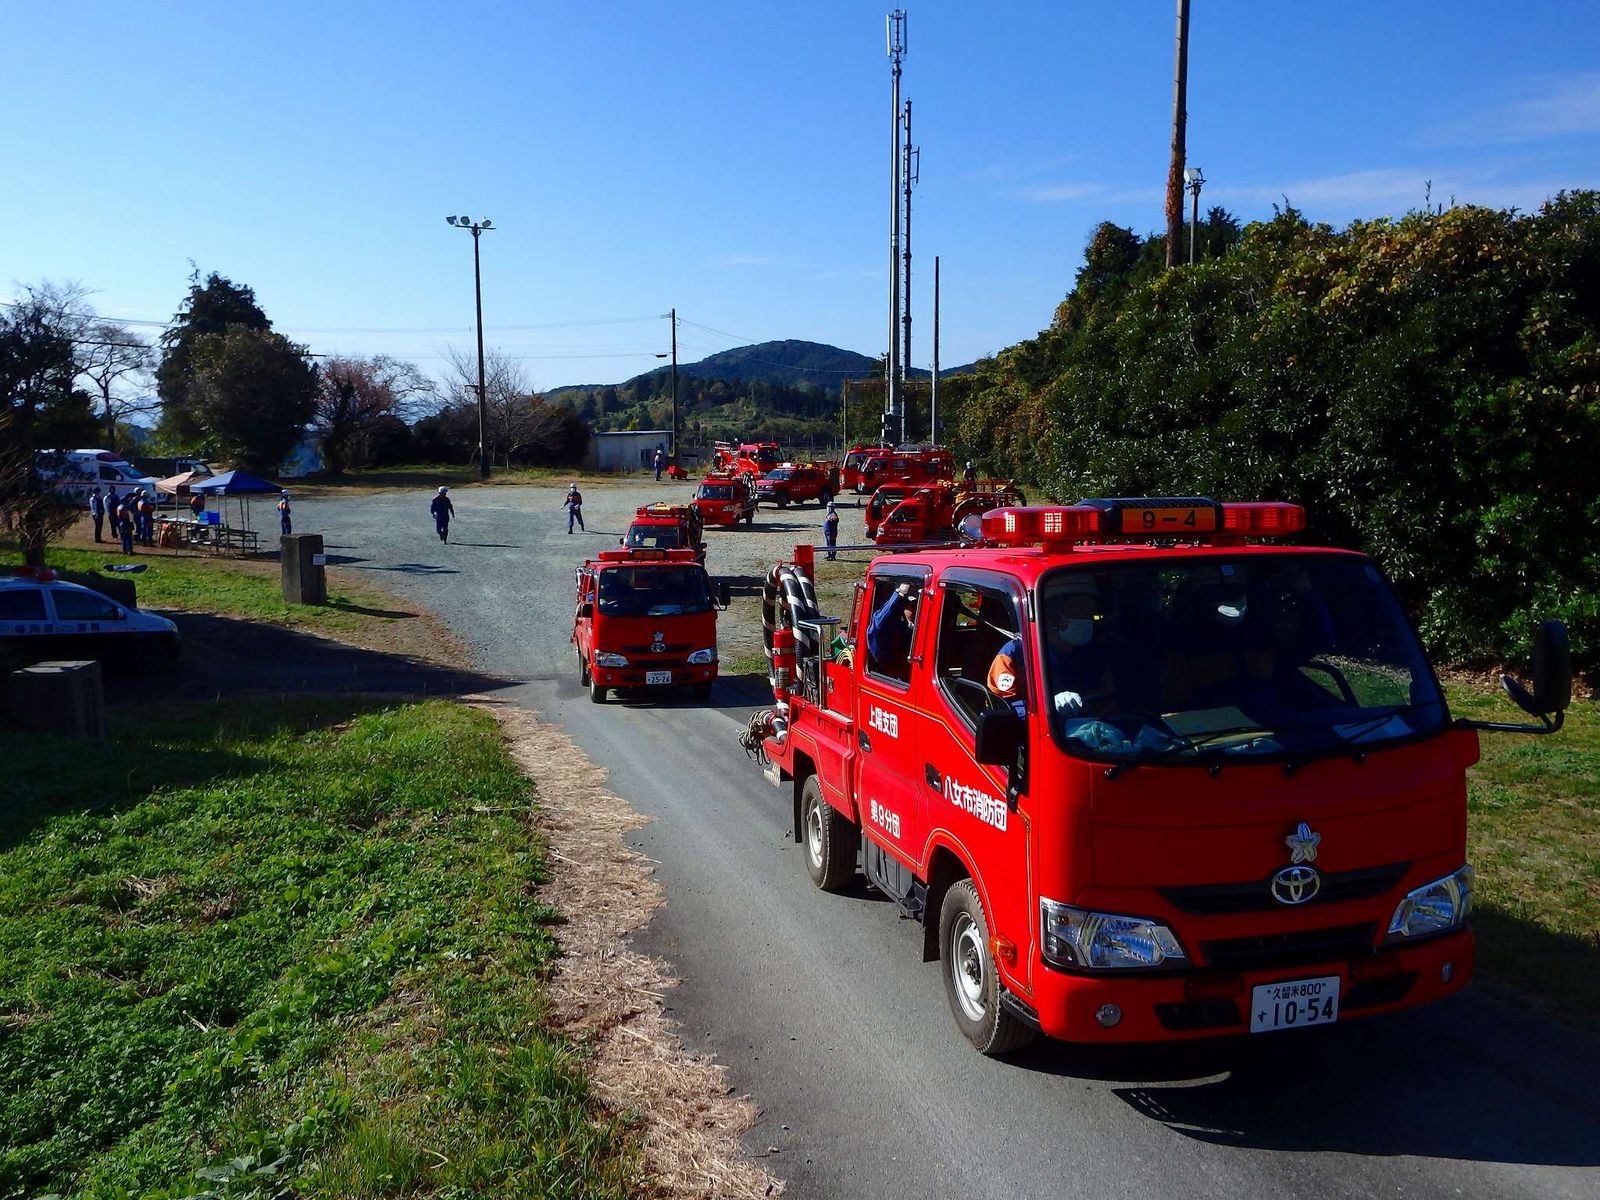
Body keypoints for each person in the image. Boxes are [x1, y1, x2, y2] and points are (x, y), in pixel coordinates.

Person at [865, 580, 918, 676]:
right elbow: (878, 624)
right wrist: (900, 595)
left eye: (917, 605)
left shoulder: (919, 630)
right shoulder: (893, 628)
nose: (914, 609)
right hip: (891, 678)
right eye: (911, 606)